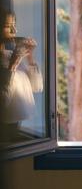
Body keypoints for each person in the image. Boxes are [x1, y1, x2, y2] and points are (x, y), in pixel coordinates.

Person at [0, 8, 43, 142]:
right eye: (8, 26)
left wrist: (30, 57)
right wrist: (13, 66)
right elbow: (3, 102)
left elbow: (37, 87)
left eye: (14, 25)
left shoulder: (11, 54)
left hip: (18, 125)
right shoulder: (9, 60)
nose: (14, 31)